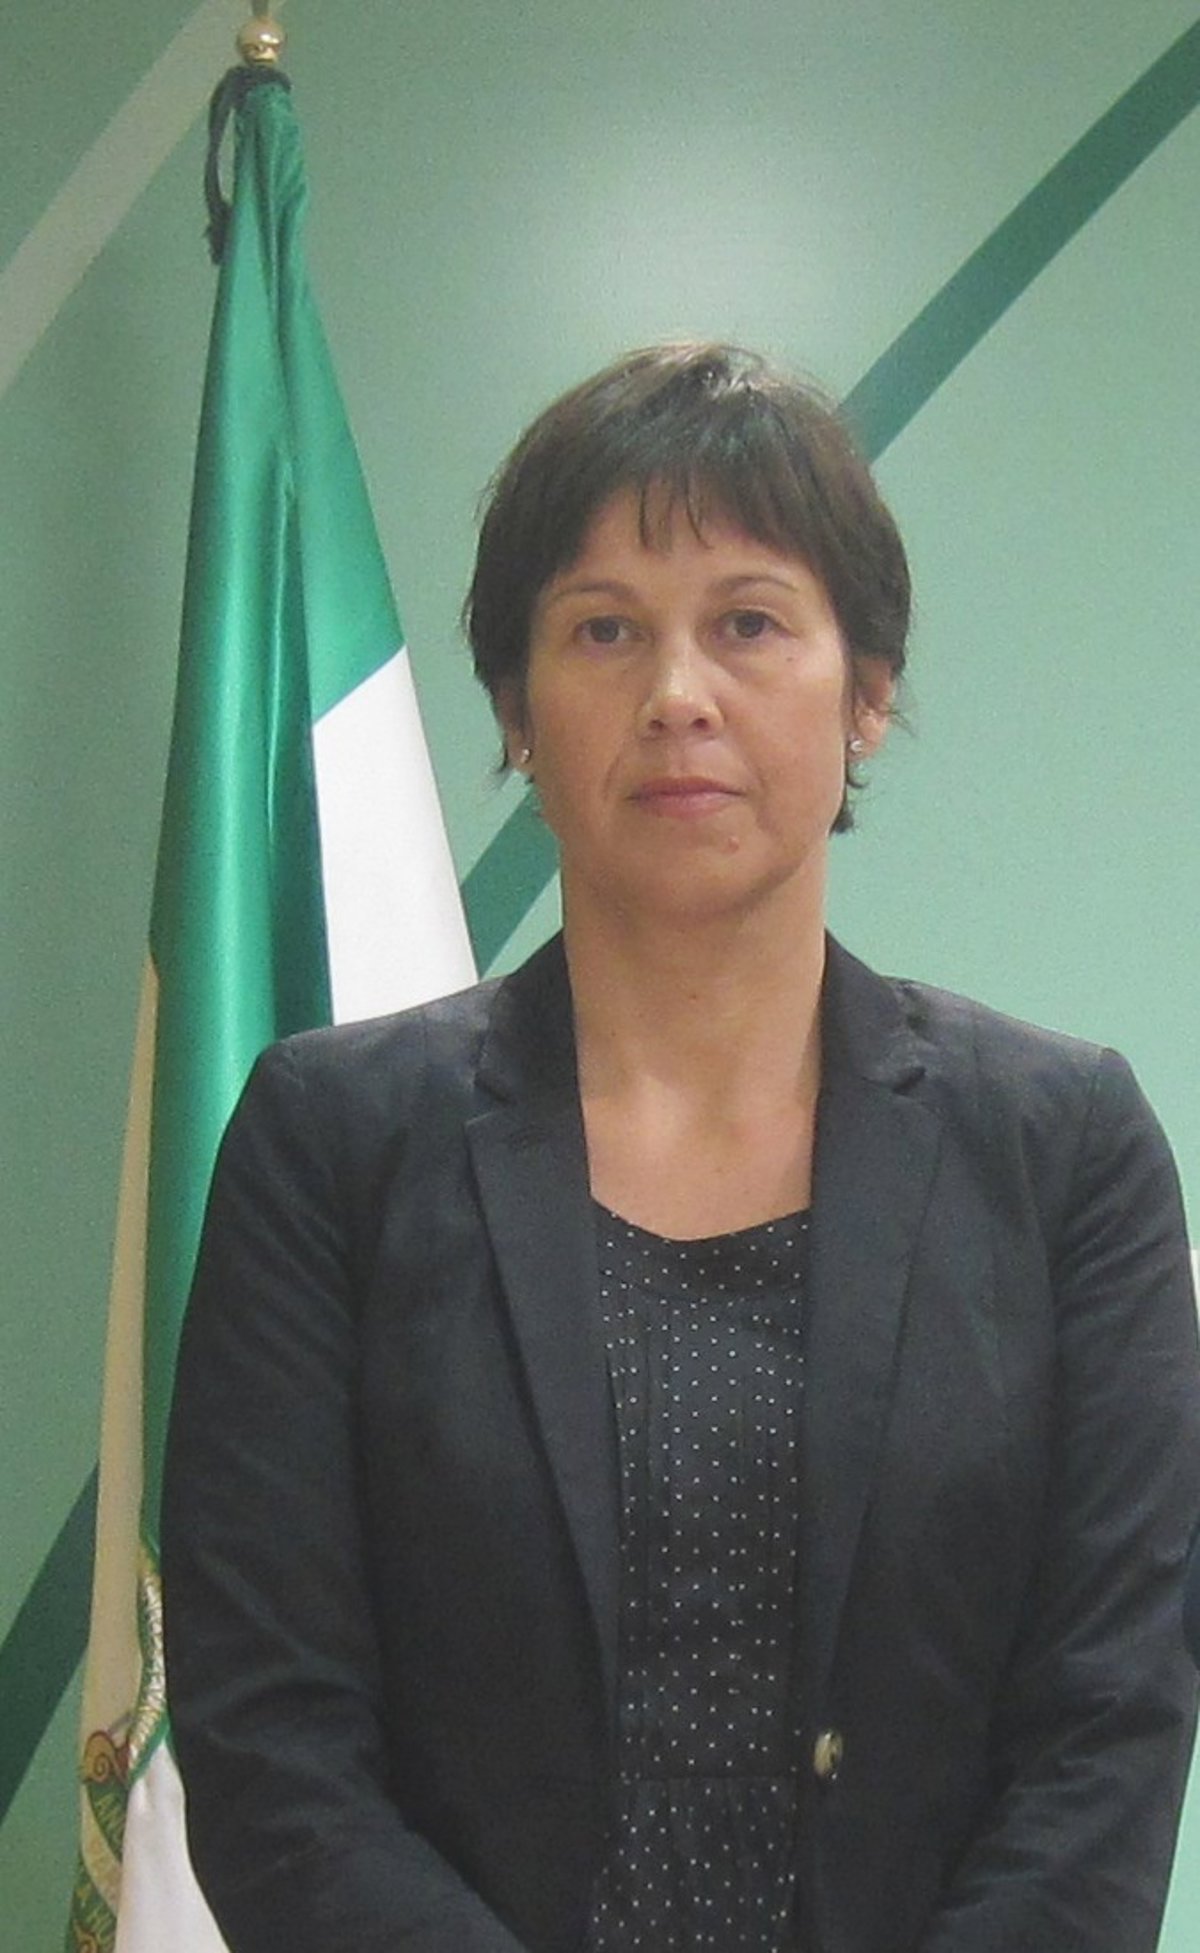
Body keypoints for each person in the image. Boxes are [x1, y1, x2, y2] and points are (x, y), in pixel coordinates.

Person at [162, 342, 1200, 1953]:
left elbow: (1111, 1720)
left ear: (867, 694)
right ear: (515, 710)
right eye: (603, 630)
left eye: (750, 622)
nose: (678, 695)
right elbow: (270, 1731)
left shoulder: (1066, 1151)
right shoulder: (331, 1143)